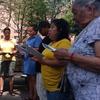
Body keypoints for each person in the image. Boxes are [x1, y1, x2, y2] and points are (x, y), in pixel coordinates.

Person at [54, 0, 100, 100]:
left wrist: (69, 56)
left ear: (90, 9)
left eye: (75, 12)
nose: (74, 18)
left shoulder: (98, 24)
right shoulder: (91, 26)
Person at [33, 19, 71, 100]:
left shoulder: (64, 42)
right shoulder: (52, 43)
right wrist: (38, 57)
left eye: (52, 27)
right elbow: (45, 56)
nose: (49, 30)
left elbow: (63, 62)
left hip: (57, 88)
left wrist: (43, 61)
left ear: (60, 30)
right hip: (49, 86)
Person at [22, 25, 42, 100]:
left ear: (35, 31)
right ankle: (30, 95)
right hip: (27, 60)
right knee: (29, 79)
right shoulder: (28, 38)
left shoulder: (37, 38)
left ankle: (35, 96)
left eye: (30, 31)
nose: (28, 32)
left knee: (34, 80)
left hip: (33, 61)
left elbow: (38, 49)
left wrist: (28, 49)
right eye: (28, 31)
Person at [36, 21, 51, 100]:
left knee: (42, 92)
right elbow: (42, 50)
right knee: (40, 91)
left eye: (40, 29)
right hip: (40, 67)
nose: (39, 31)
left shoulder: (50, 39)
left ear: (46, 28)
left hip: (44, 68)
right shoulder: (46, 38)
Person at [0, 27, 17, 96]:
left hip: (12, 60)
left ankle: (11, 90)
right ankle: (1, 90)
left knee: (11, 75)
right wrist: (2, 52)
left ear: (10, 33)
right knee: (2, 75)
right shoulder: (1, 41)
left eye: (8, 33)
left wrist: (13, 52)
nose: (7, 34)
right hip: (2, 59)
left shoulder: (13, 40)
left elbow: (17, 50)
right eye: (6, 33)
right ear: (4, 33)